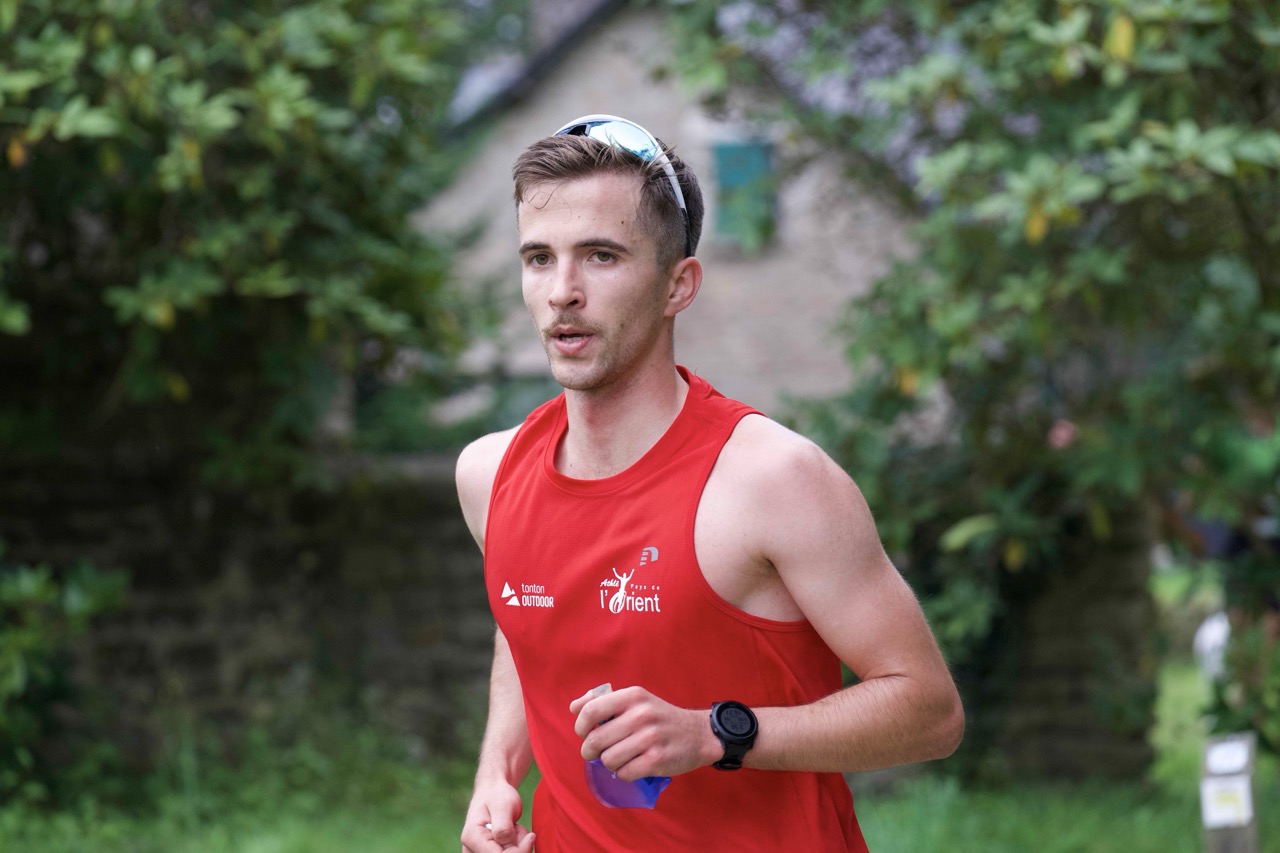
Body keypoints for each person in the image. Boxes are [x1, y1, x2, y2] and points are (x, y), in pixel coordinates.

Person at [456, 114, 964, 853]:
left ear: (677, 286)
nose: (563, 291)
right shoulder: (490, 474)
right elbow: (527, 621)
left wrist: (715, 733)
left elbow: (930, 712)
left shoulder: (773, 480)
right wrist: (497, 773)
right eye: (539, 258)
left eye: (601, 256)